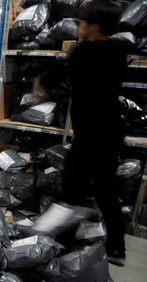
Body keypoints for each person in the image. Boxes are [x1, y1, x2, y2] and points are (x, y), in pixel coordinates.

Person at [35, 0, 128, 265]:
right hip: (110, 130)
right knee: (106, 189)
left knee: (73, 188)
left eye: (83, 23)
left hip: (91, 134)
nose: (78, 26)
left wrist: (40, 83)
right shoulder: (119, 49)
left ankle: (62, 246)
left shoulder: (85, 51)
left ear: (95, 27)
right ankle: (116, 249)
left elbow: (60, 72)